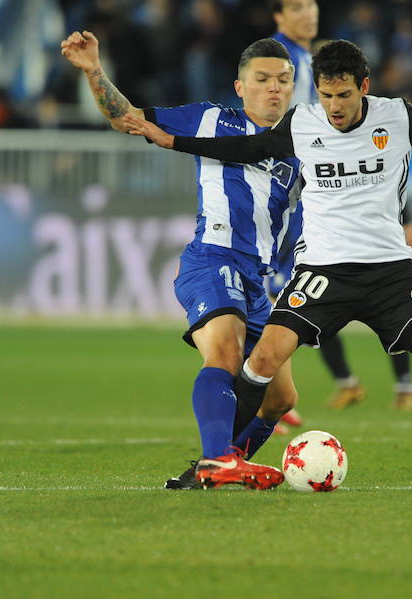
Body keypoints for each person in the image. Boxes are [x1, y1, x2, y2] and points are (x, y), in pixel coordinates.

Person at [122, 39, 412, 492]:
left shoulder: (400, 118)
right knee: (262, 360)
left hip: (391, 272)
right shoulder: (302, 123)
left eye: (344, 95)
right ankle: (215, 462)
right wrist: (173, 142)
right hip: (322, 272)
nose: (334, 106)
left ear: (364, 87)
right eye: (326, 95)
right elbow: (246, 150)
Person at [61, 32, 303, 490]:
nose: (274, 88)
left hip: (259, 278)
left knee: (279, 398)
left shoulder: (301, 144)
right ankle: (219, 460)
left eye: (284, 80)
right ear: (240, 86)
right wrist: (94, 70)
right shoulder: (210, 119)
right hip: (213, 258)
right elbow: (126, 119)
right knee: (226, 354)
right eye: (263, 79)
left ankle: (212, 467)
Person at [270, 0, 412, 413]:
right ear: (278, 17)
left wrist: (407, 218)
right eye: (297, 6)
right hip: (303, 203)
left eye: (312, 5)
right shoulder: (278, 64)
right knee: (300, 298)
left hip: (331, 203)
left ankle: (401, 382)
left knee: (376, 283)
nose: (309, 12)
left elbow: (380, 165)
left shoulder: (315, 62)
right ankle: (323, 386)